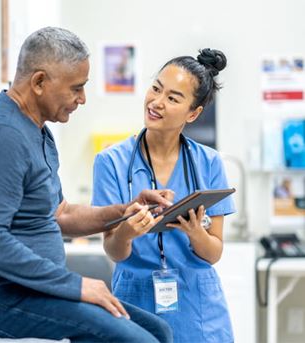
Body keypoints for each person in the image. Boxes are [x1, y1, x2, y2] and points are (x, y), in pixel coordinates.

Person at [0, 27, 173, 342]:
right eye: (76, 88)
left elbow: (60, 214)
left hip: (26, 290)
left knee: (158, 330)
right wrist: (75, 285)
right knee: (139, 341)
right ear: (39, 82)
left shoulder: (37, 130)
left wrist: (125, 210)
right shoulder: (3, 136)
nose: (82, 98)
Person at [92, 49, 236, 343]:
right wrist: (126, 232)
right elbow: (114, 251)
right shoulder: (111, 162)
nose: (157, 102)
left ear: (193, 113)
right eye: (156, 88)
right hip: (135, 299)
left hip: (199, 308)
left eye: (173, 98)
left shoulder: (208, 163)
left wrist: (196, 232)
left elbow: (214, 252)